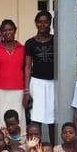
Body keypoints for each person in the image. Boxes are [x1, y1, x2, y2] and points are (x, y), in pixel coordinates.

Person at [0, 19, 27, 133]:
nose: (7, 32)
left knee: (17, 116)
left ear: (15, 30)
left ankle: (19, 144)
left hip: (18, 90)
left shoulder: (23, 49)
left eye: (10, 29)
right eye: (4, 30)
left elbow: (27, 70)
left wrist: (26, 91)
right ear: (1, 32)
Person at [24, 10, 56, 144]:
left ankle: (53, 149)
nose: (43, 24)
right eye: (40, 22)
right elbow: (27, 66)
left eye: (46, 22)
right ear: (36, 23)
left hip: (53, 83)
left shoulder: (56, 40)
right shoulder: (30, 43)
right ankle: (36, 149)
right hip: (36, 83)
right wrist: (26, 90)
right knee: (36, 118)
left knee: (53, 118)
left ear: (50, 23)